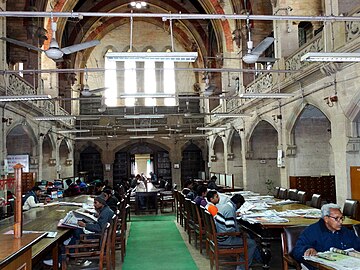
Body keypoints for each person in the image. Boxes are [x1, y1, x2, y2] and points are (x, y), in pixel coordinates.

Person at [292, 203, 360, 269]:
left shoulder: (345, 231)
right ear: (326, 219)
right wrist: (306, 249)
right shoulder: (312, 231)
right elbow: (296, 250)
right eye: (336, 218)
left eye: (341, 218)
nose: (341, 222)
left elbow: (358, 245)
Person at [214, 194, 259, 270]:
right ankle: (243, 267)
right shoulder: (230, 210)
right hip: (226, 239)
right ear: (238, 203)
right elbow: (230, 230)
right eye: (240, 206)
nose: (239, 208)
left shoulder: (225, 207)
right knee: (252, 243)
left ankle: (257, 259)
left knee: (248, 237)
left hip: (220, 237)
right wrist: (240, 233)